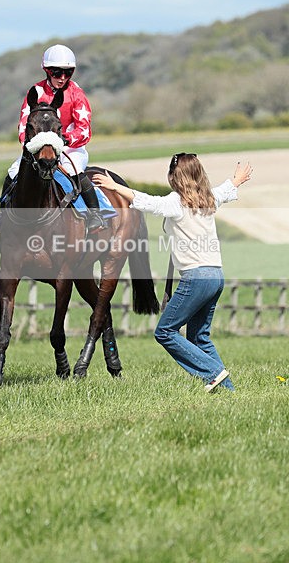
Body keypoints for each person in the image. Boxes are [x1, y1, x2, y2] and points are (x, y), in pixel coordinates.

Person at [93, 153, 252, 392]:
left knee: (165, 332)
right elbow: (226, 189)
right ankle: (227, 389)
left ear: (173, 176)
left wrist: (114, 187)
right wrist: (237, 179)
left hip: (196, 278)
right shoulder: (209, 198)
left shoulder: (176, 202)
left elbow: (147, 202)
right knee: (199, 338)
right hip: (216, 276)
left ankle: (213, 373)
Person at [0, 43, 105, 232]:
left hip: (69, 148)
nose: (63, 77)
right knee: (13, 171)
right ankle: (3, 216)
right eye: (57, 72)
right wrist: (35, 145)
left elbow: (84, 130)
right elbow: (23, 126)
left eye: (68, 72)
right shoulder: (35, 92)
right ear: (47, 71)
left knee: (73, 171)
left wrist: (63, 140)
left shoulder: (77, 94)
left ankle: (95, 215)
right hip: (38, 148)